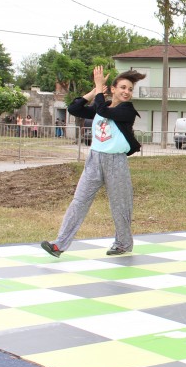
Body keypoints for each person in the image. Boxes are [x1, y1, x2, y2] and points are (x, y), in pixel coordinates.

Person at [41, 66, 146, 258]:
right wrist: (94, 91)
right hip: (94, 159)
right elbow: (74, 109)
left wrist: (99, 89)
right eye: (122, 87)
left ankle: (123, 243)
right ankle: (59, 245)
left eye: (130, 89)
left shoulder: (127, 111)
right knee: (79, 201)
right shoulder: (101, 106)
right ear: (112, 89)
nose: (126, 92)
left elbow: (104, 111)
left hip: (116, 162)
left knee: (121, 205)